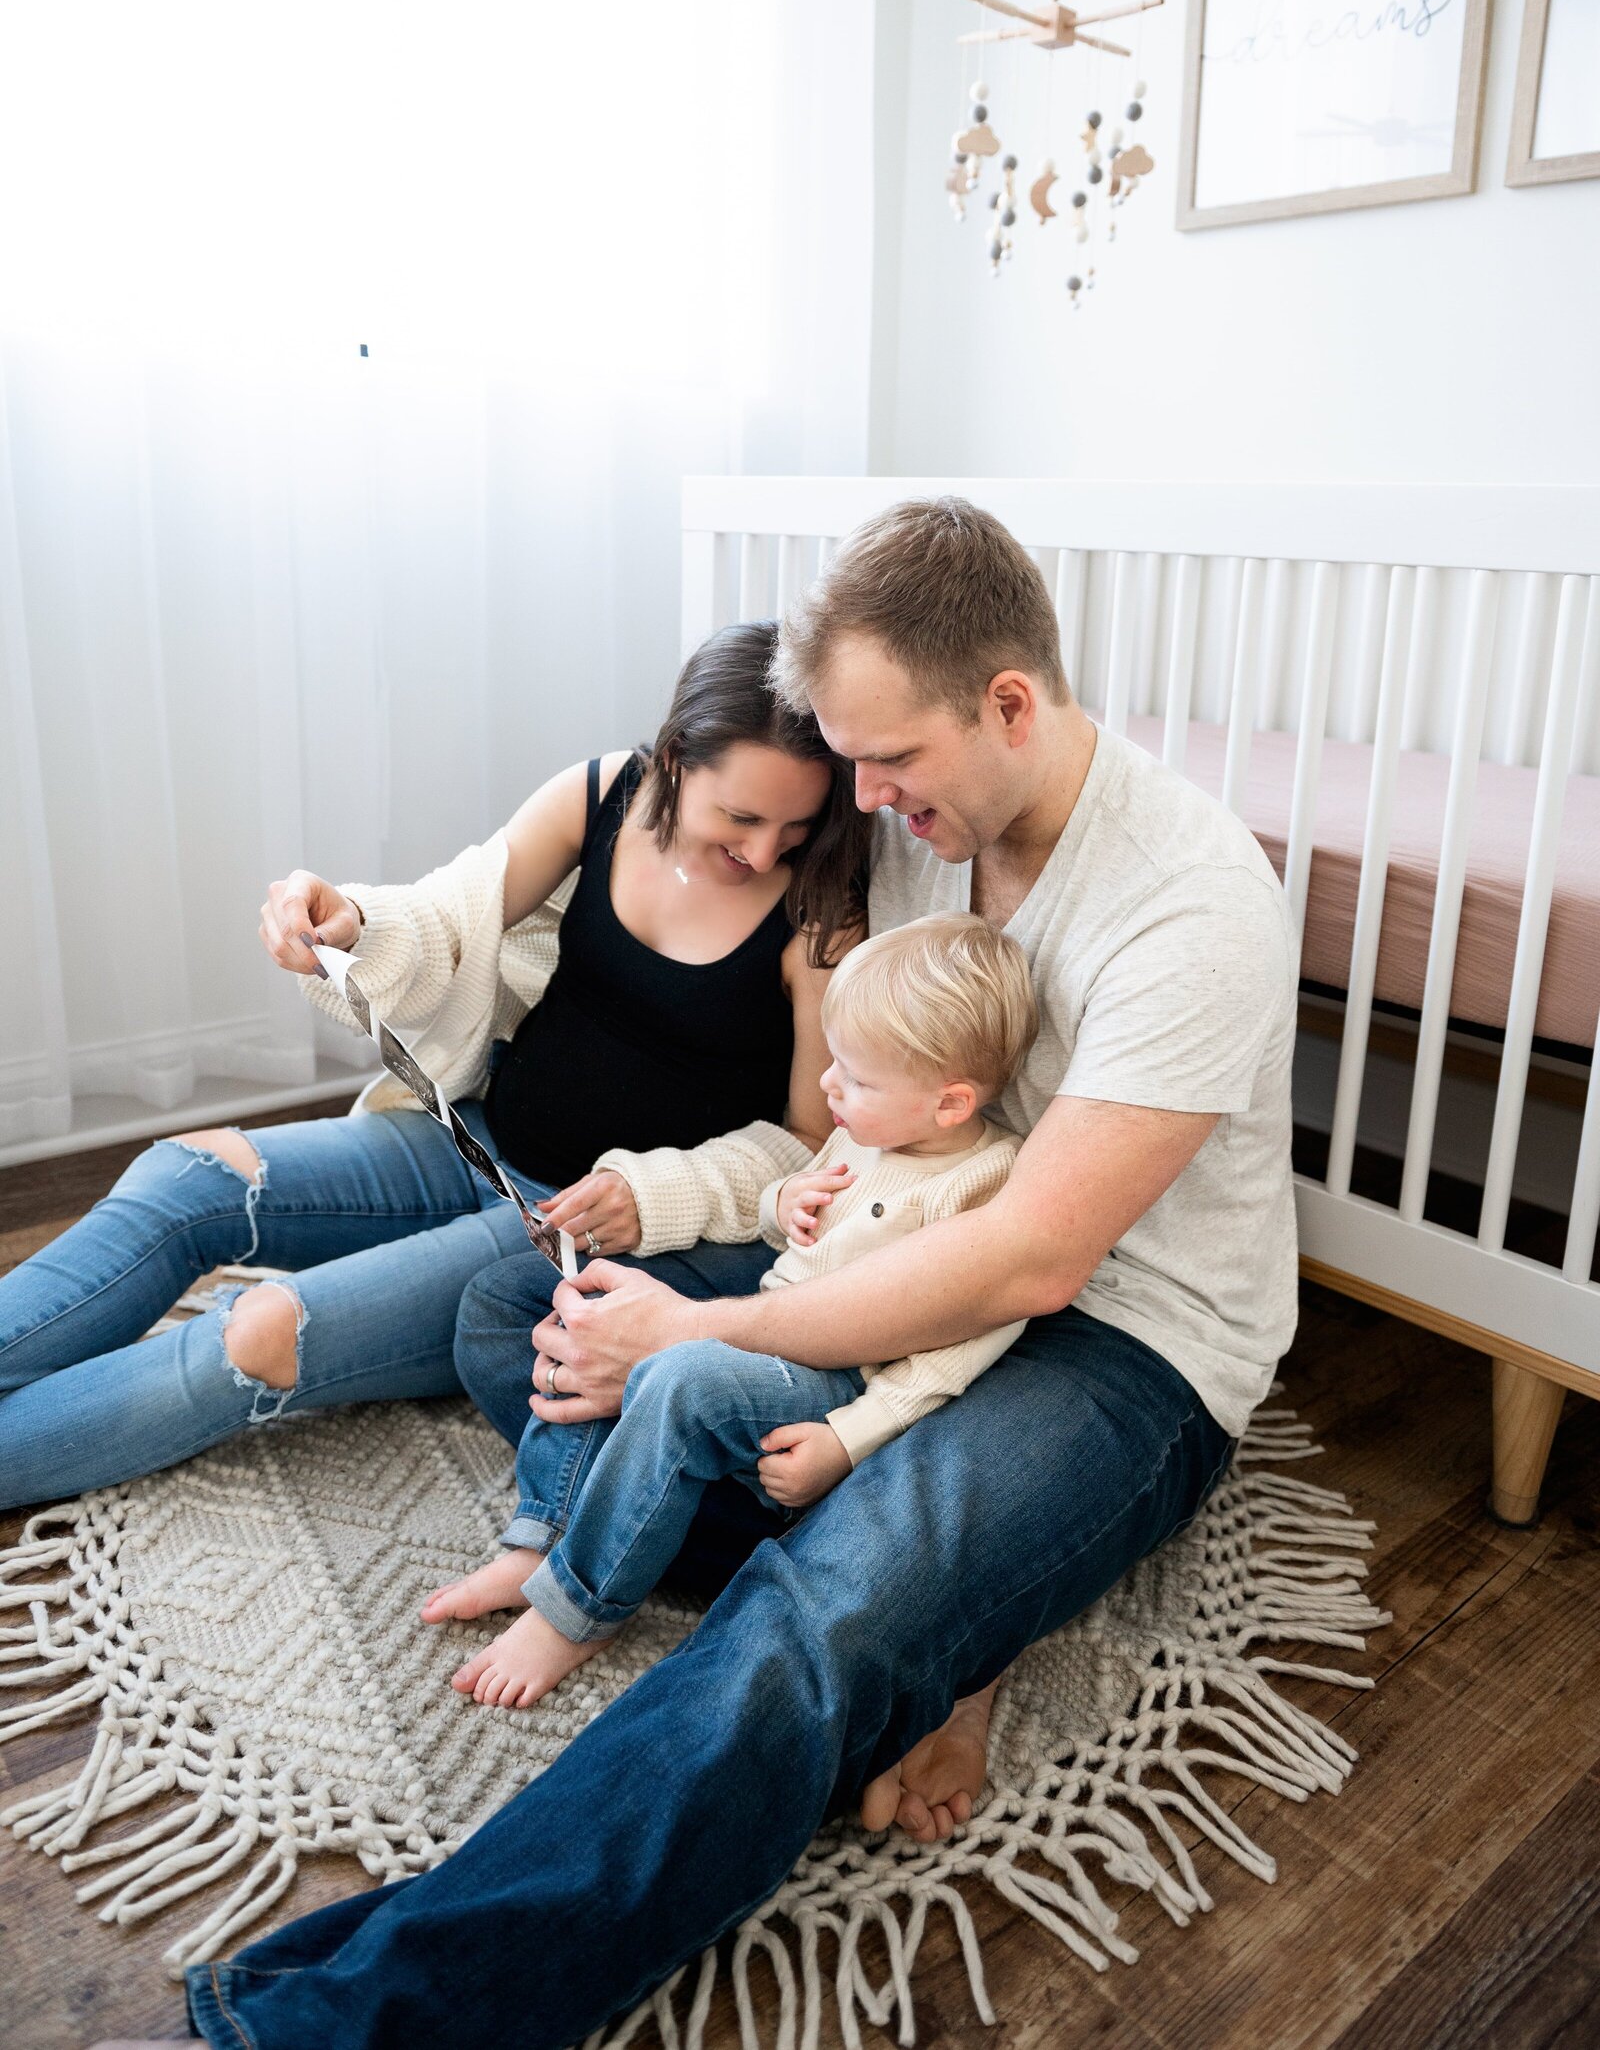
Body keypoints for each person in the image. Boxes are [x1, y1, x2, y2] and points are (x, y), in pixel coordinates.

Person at [172, 495, 1298, 2050]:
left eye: (890, 760)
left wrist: (709, 1324)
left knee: (819, 1624)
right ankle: (950, 1601)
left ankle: (332, 2026)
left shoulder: (1193, 896)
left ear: (1011, 704)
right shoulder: (913, 838)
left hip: (1116, 1340)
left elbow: (1035, 1259)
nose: (866, 797)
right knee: (521, 1302)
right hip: (888, 1235)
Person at [0, 623, 866, 1510]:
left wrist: (655, 1196)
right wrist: (349, 926)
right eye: (743, 817)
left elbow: (810, 1140)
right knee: (187, 1172)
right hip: (478, 1134)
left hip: (566, 1239)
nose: (764, 851)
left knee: (259, 1333)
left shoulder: (821, 915)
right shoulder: (608, 791)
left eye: (795, 827)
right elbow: (454, 916)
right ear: (678, 759)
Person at [426, 911, 1034, 1711]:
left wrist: (847, 1441)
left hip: (839, 1379)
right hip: (772, 1325)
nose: (827, 1086)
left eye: (854, 1076)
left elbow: (955, 1352)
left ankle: (578, 1608)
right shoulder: (869, 1132)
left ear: (950, 1103)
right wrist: (789, 1200)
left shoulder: (984, 1182)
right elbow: (789, 1218)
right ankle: (540, 1530)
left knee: (683, 1380)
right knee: (595, 1318)